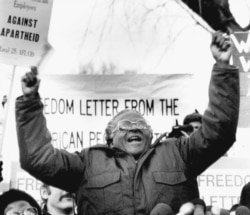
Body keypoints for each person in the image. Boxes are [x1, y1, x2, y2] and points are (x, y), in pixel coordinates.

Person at [15, 31, 239, 215]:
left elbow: (219, 133)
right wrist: (29, 102)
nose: (134, 127)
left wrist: (223, 67)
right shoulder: (87, 163)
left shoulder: (178, 153)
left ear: (151, 135)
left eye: (141, 124)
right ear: (110, 138)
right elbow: (37, 158)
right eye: (125, 125)